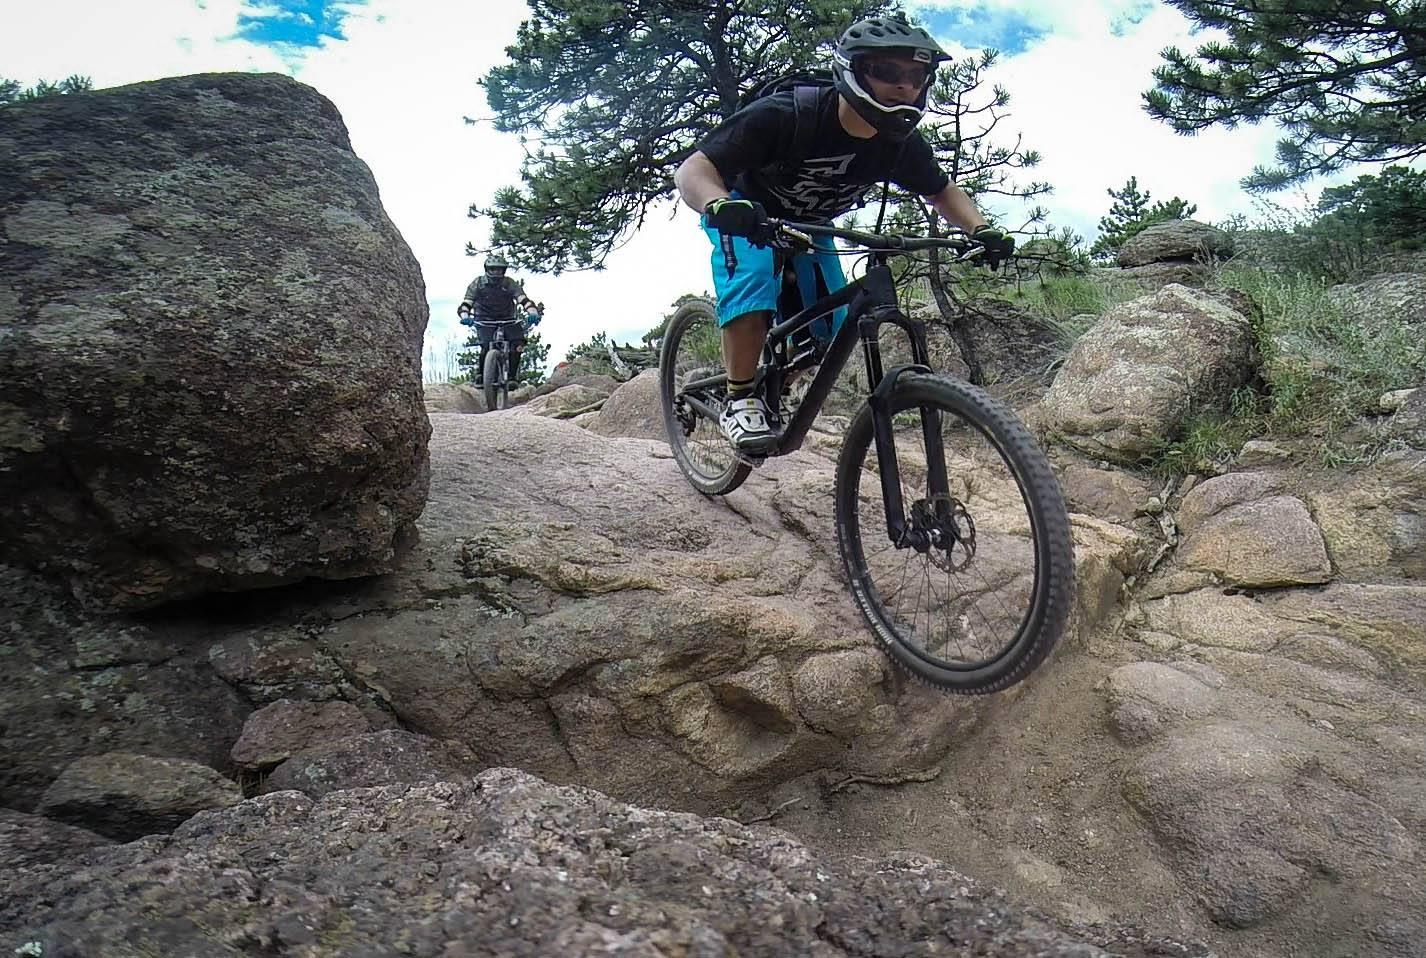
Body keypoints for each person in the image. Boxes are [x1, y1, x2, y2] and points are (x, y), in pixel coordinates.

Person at [673, 16, 1015, 454]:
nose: (905, 86)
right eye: (888, 72)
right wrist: (721, 205)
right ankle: (740, 398)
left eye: (916, 76)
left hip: (811, 228)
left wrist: (981, 230)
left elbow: (941, 190)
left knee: (831, 333)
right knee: (753, 280)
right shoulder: (787, 115)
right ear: (852, 70)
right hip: (747, 213)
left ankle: (774, 384)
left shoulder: (900, 144)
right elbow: (693, 171)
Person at [458, 253, 542, 386]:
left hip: (508, 319)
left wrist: (532, 312)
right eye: (493, 269)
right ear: (487, 269)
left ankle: (513, 377)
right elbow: (466, 304)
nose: (496, 272)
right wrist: (465, 317)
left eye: (499, 269)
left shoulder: (509, 283)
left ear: (504, 270)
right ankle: (481, 374)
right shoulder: (477, 284)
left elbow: (523, 299)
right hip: (484, 319)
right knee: (486, 345)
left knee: (518, 345)